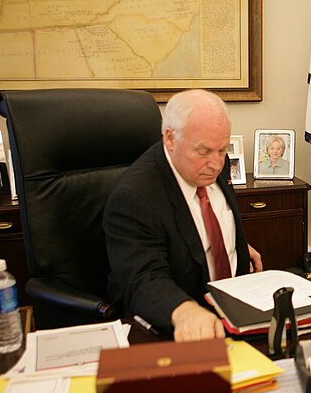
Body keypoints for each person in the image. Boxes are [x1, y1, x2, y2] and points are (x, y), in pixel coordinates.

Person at [104, 89, 263, 341]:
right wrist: (185, 312)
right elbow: (144, 278)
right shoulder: (135, 197)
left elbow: (208, 221)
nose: (216, 164)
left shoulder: (212, 160)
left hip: (238, 310)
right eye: (203, 152)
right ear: (170, 138)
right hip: (178, 329)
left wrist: (235, 245)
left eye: (222, 150)